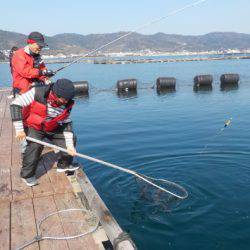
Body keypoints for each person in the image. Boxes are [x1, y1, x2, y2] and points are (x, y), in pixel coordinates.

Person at [10, 79, 79, 186]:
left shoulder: (67, 104)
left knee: (70, 140)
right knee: (36, 145)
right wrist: (19, 130)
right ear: (55, 94)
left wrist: (69, 146)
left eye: (68, 99)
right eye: (64, 99)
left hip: (52, 127)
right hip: (34, 126)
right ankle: (27, 175)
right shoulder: (37, 92)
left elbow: (66, 123)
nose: (66, 101)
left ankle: (64, 165)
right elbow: (15, 104)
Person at [11, 31, 55, 96]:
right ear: (30, 43)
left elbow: (42, 69)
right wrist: (42, 72)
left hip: (35, 89)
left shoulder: (37, 55)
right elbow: (25, 71)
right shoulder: (19, 54)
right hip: (22, 92)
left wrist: (46, 77)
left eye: (42, 46)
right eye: (39, 45)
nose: (41, 48)